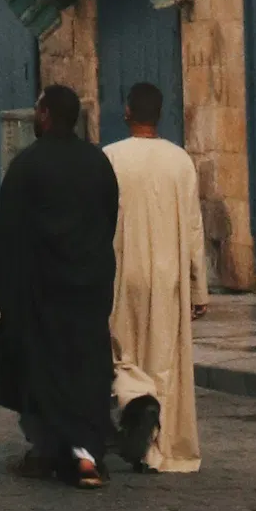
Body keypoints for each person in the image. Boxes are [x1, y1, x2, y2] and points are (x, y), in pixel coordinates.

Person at [0, 83, 119, 488]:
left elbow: (6, 232)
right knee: (86, 368)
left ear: (44, 115)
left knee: (42, 371)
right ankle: (86, 455)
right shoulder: (98, 163)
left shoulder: (27, 165)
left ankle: (49, 451)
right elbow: (108, 220)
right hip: (88, 287)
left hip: (40, 291)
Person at [105, 80, 206, 472]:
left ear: (128, 112)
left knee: (124, 356)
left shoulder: (111, 157)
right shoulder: (180, 161)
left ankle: (137, 407)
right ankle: (160, 448)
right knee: (164, 359)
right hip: (168, 276)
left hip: (123, 272)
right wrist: (198, 288)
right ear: (160, 115)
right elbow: (193, 229)